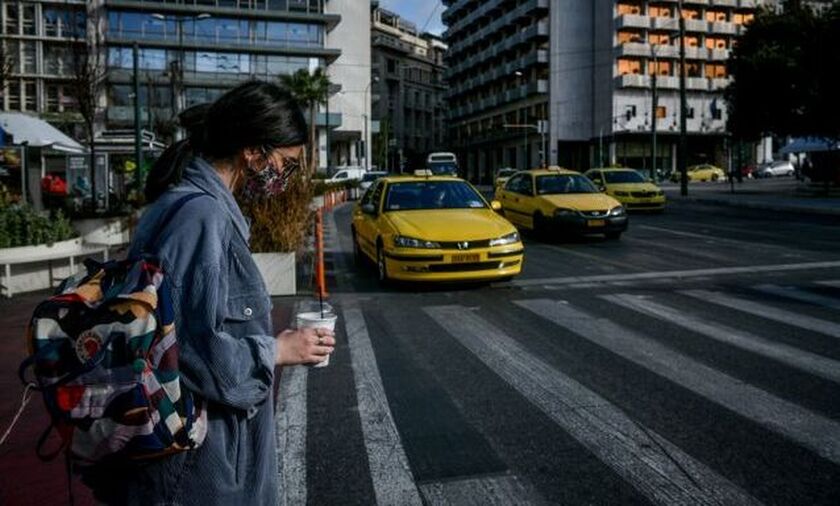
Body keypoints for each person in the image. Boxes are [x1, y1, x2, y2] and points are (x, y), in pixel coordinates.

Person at [82, 81, 336, 505]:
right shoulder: (202, 216)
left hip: (192, 454)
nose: (286, 178)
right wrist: (275, 350)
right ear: (253, 152)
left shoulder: (183, 203)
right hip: (199, 463)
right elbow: (193, 349)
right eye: (286, 164)